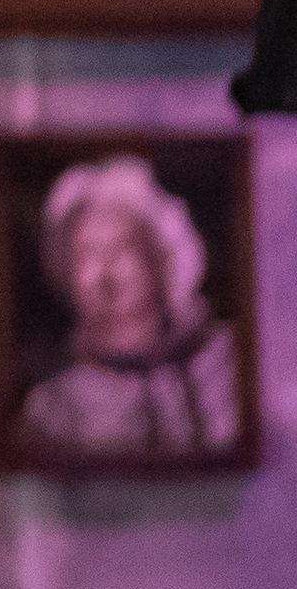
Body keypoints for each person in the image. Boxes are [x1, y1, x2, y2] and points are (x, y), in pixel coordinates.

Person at [14, 152, 243, 466]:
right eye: (87, 253)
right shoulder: (52, 408)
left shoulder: (224, 364)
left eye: (123, 247)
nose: (105, 273)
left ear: (163, 258)